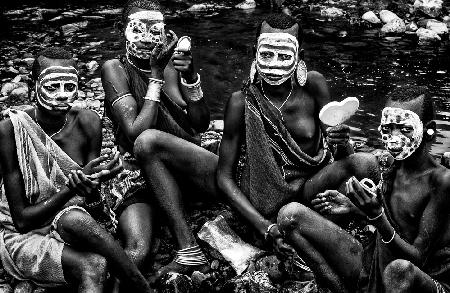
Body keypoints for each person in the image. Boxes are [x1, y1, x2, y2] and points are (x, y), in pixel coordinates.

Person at [216, 12, 379, 266]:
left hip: (311, 187)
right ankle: (305, 229)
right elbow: (224, 177)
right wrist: (263, 226)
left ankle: (361, 222)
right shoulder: (241, 102)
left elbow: (341, 155)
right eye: (267, 54)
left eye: (284, 56)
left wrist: (342, 140)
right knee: (287, 217)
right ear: (255, 51)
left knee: (367, 163)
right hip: (267, 202)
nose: (273, 64)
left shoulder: (313, 85)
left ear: (299, 56)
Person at [0, 47, 152, 293]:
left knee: (88, 214)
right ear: (32, 86)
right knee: (95, 265)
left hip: (75, 225)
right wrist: (70, 188)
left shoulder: (88, 121)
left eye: (69, 87)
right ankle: (139, 284)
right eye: (52, 87)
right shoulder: (10, 131)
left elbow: (89, 203)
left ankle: (131, 279)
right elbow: (21, 221)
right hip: (26, 235)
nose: (62, 95)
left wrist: (96, 180)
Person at [277, 85, 450, 292]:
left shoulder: (441, 181)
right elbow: (392, 218)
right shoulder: (388, 166)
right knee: (290, 215)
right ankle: (335, 287)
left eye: (404, 129)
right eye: (387, 128)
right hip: (374, 266)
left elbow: (417, 260)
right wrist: (354, 208)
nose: (394, 138)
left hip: (414, 279)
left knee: (398, 271)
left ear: (429, 131)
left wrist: (376, 216)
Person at [101, 0, 216, 279]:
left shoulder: (172, 65)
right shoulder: (115, 69)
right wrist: (155, 74)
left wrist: (190, 76)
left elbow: (201, 123)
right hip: (139, 177)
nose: (148, 39)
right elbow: (134, 131)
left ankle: (188, 250)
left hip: (185, 168)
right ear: (121, 29)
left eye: (156, 31)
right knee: (137, 251)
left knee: (151, 141)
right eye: (139, 29)